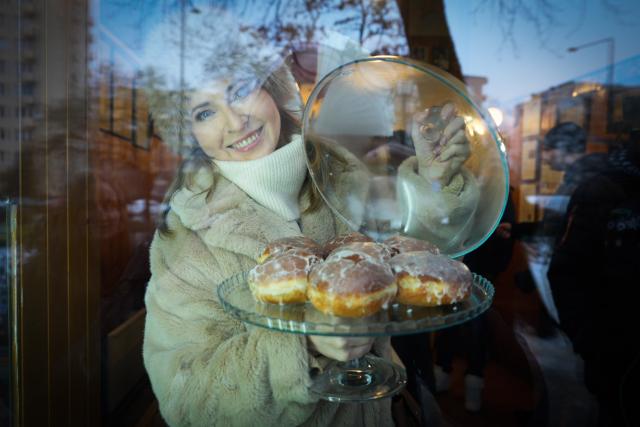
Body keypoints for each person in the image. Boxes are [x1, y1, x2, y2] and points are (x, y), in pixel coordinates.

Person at [140, 7, 479, 426]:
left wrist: (433, 180)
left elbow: (411, 256)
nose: (234, 120)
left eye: (240, 89)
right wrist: (303, 347)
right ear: (188, 133)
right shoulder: (187, 241)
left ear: (270, 87)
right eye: (204, 113)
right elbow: (186, 401)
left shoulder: (339, 177)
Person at [548, 129, 640, 427]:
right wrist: (592, 345)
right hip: (614, 356)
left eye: (549, 150)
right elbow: (568, 265)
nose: (547, 157)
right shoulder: (605, 186)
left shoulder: (598, 183)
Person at [432, 194, 515, 412]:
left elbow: (506, 235)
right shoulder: (461, 189)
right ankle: (445, 371)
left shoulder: (501, 194)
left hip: (480, 272)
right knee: (449, 321)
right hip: (454, 269)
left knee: (477, 327)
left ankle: (472, 379)